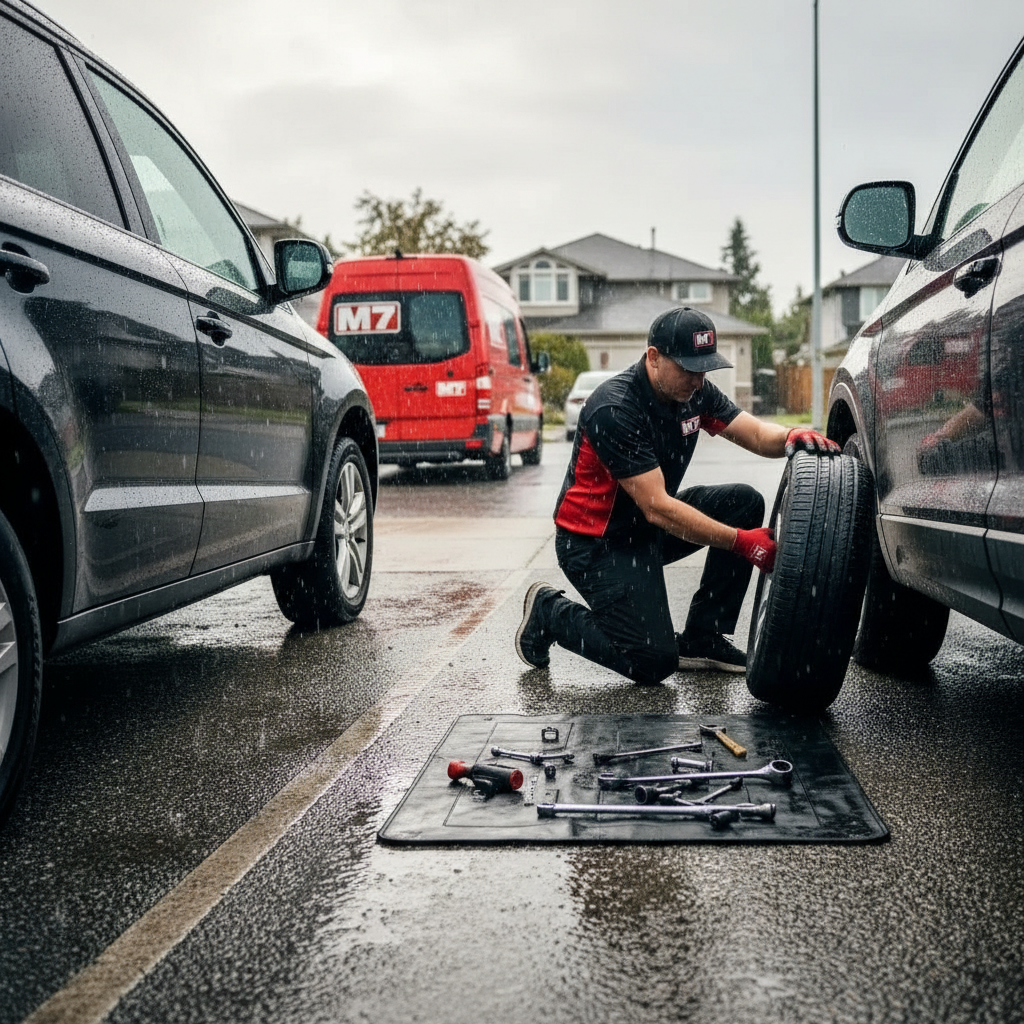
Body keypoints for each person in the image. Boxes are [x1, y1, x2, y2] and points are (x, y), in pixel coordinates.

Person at [515, 306, 840, 685]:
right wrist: (742, 543)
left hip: (645, 528)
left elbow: (754, 434)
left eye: (705, 369)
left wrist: (790, 437)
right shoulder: (615, 408)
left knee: (743, 502)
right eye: (688, 368)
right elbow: (658, 508)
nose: (698, 380)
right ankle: (549, 611)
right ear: (653, 357)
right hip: (596, 545)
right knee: (651, 661)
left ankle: (704, 637)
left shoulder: (695, 394)